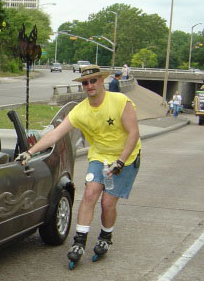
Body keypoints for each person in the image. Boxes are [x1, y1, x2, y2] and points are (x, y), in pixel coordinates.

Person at [16, 65, 141, 265]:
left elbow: (133, 133)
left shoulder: (120, 101)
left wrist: (120, 161)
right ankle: (79, 241)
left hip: (126, 156)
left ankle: (106, 236)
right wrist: (30, 152)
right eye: (85, 82)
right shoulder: (80, 110)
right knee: (90, 194)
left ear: (102, 81)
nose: (89, 85)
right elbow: (56, 134)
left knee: (107, 203)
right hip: (100, 156)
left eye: (93, 81)